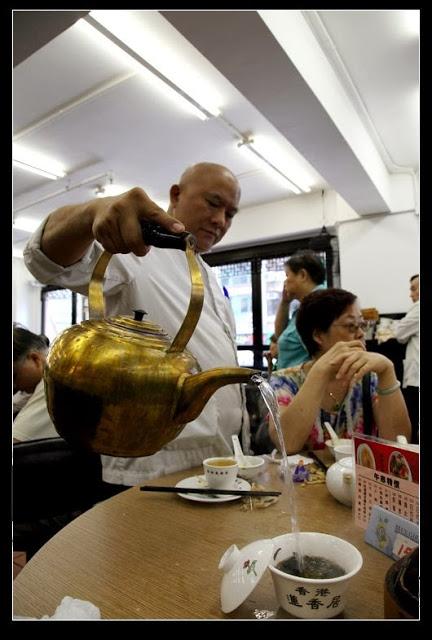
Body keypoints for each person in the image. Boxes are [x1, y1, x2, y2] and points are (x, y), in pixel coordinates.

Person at [24, 162, 250, 487]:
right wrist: (92, 213)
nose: (220, 220)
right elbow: (45, 259)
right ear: (176, 194)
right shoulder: (138, 250)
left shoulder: (209, 275)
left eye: (231, 213)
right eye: (214, 204)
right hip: (154, 469)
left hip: (220, 459)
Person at [261, 288, 411, 454]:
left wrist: (388, 372)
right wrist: (320, 371)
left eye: (361, 325)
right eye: (350, 326)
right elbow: (286, 444)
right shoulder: (284, 381)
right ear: (318, 336)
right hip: (305, 479)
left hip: (359, 479)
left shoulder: (369, 379)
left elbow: (399, 442)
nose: (361, 334)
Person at [273, 250, 326, 369]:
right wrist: (285, 302)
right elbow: (280, 335)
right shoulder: (304, 305)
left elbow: (322, 357)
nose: (285, 281)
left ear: (302, 275)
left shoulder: (319, 304)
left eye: (287, 275)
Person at [13, 324, 58, 442]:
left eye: (14, 377)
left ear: (35, 359)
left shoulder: (54, 379)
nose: (15, 387)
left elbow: (16, 440)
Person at [395, 274, 419, 444]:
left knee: (413, 421)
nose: (411, 295)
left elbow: (399, 334)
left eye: (414, 289)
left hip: (417, 379)